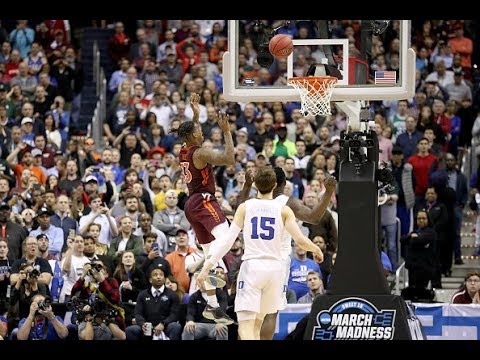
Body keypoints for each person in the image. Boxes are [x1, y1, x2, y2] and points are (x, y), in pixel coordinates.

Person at [196, 166, 324, 340]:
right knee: (261, 319)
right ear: (275, 186)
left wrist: (207, 267)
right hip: (276, 270)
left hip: (253, 268)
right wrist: (316, 249)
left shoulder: (245, 207)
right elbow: (301, 241)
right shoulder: (284, 209)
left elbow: (227, 241)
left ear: (255, 184)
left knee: (247, 325)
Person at [237, 166, 336, 339]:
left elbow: (237, 208)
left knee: (248, 317)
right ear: (282, 184)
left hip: (252, 261)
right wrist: (328, 192)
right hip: (278, 262)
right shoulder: (287, 203)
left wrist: (246, 185)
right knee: (270, 313)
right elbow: (313, 217)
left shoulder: (254, 201)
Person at [177, 92, 235, 324]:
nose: (203, 133)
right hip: (203, 200)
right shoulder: (201, 152)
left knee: (213, 254)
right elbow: (230, 159)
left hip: (190, 205)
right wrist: (227, 130)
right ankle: (201, 274)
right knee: (228, 235)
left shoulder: (184, 148)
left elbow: (191, 132)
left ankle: (212, 306)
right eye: (200, 131)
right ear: (193, 135)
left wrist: (197, 114)